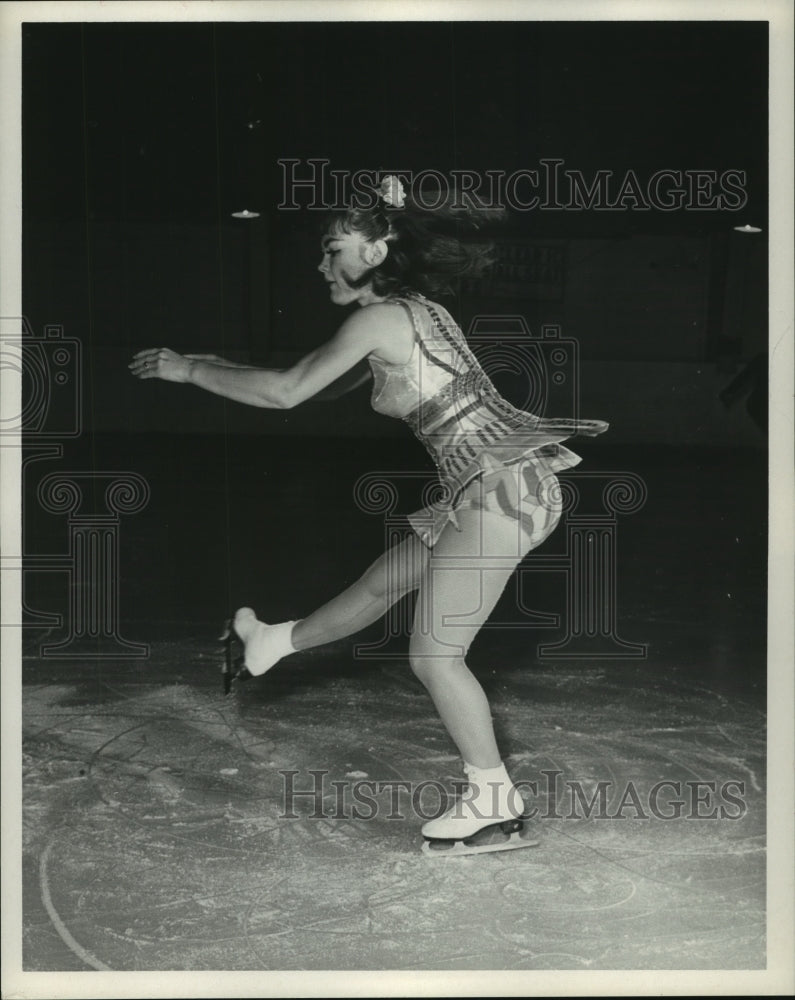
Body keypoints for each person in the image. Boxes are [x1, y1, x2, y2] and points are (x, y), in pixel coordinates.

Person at [129, 175, 608, 854]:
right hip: (486, 484)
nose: (321, 264)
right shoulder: (409, 314)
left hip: (502, 485)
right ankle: (273, 642)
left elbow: (289, 393)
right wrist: (206, 362)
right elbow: (316, 386)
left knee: (435, 655)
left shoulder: (380, 320)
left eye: (333, 249)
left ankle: (493, 800)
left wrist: (190, 373)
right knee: (379, 586)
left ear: (378, 250)